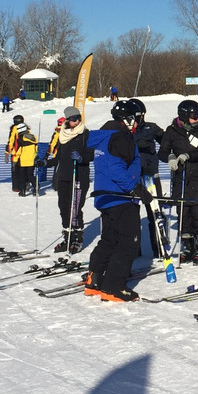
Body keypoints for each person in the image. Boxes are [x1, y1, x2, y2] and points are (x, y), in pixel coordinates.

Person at [85, 99, 146, 302]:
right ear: (127, 119)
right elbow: (115, 169)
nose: (138, 123)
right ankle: (113, 287)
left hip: (107, 197)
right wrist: (135, 188)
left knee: (110, 240)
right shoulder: (121, 138)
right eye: (136, 119)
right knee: (128, 243)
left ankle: (94, 279)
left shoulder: (106, 135)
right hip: (121, 197)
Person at [158, 99, 198, 265]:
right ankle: (187, 246)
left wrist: (189, 155)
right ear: (183, 115)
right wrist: (170, 157)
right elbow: (162, 151)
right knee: (184, 214)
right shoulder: (172, 130)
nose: (197, 118)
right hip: (181, 177)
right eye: (194, 115)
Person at [48, 106, 93, 253]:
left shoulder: (85, 135)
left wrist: (82, 158)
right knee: (63, 207)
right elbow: (59, 157)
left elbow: (92, 154)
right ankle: (67, 238)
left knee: (75, 209)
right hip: (64, 176)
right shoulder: (63, 135)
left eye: (77, 118)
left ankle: (77, 239)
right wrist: (45, 163)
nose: (76, 121)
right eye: (73, 119)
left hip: (79, 176)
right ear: (67, 121)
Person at [130, 98, 167, 257]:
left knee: (155, 212)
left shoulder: (151, 128)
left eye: (136, 115)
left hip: (151, 176)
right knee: (131, 215)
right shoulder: (126, 131)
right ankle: (133, 249)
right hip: (133, 177)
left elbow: (166, 141)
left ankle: (159, 247)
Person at [11, 123, 39, 197]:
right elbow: (36, 149)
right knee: (30, 175)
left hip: (22, 161)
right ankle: (36, 186)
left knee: (22, 176)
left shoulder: (20, 139)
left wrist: (15, 160)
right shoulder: (33, 137)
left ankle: (22, 191)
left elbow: (18, 151)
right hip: (31, 160)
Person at [6, 115, 26, 194]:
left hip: (15, 154)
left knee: (15, 171)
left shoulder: (14, 129)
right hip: (25, 153)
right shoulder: (26, 128)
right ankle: (24, 185)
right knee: (23, 170)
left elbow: (10, 141)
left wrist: (7, 151)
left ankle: (16, 187)